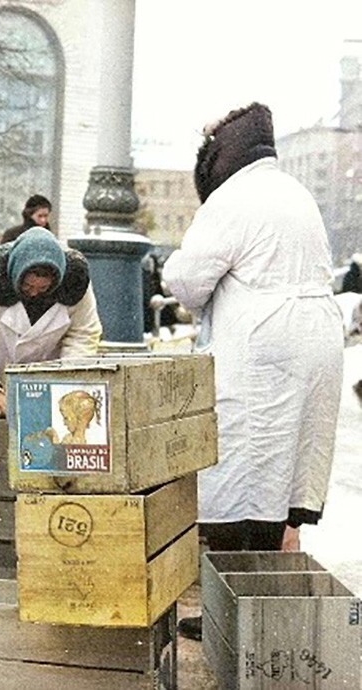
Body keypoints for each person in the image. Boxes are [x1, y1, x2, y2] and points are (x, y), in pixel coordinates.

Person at [163, 102, 344, 640]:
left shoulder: (233, 198)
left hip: (265, 347)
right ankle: (260, 611)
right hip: (316, 340)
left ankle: (229, 616)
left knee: (238, 472)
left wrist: (183, 274)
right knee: (280, 477)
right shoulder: (293, 191)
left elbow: (187, 282)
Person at [0, 227, 103, 418]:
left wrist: (66, 387)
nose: (34, 293)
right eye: (27, 286)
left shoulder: (76, 282)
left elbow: (83, 335)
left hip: (40, 382)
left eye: (43, 288)